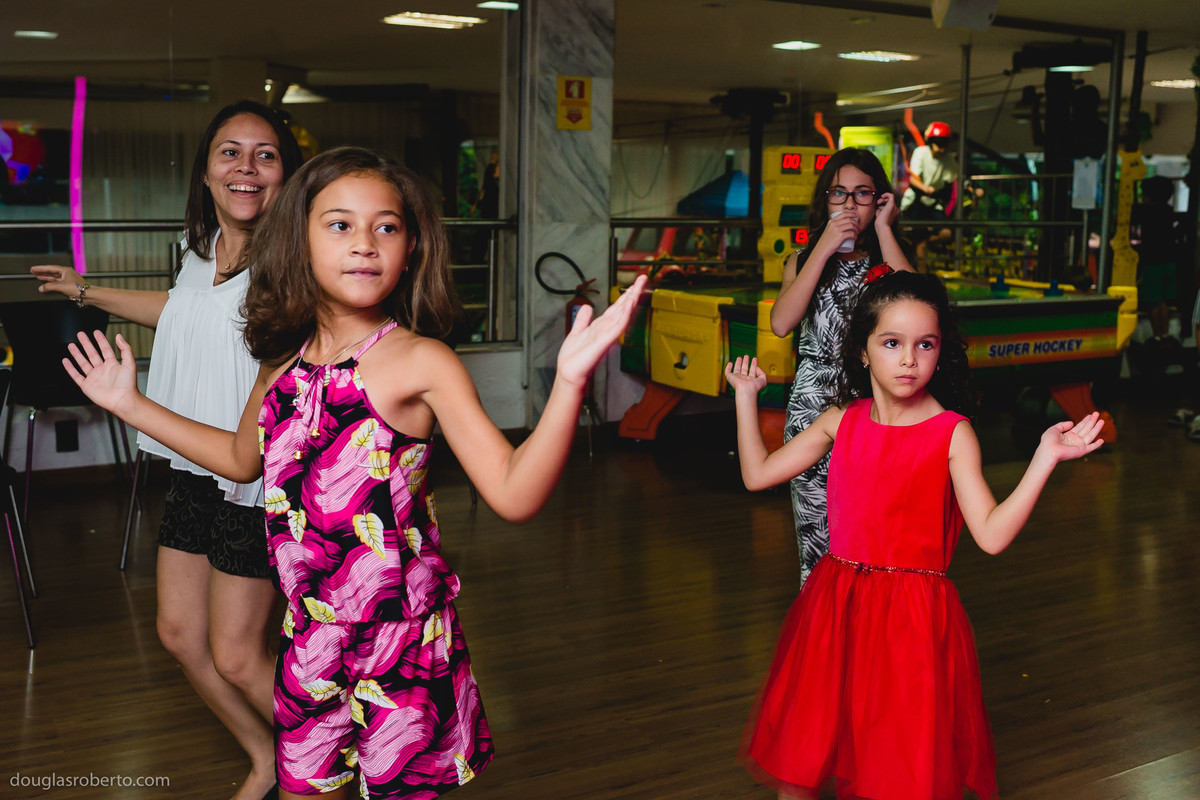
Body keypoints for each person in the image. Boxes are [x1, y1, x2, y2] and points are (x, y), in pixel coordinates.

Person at [61, 146, 648, 800]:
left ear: (411, 247)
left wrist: (568, 383)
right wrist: (131, 404)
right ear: (298, 240)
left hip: (402, 644)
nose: (365, 243)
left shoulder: (422, 362)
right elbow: (238, 459)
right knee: (305, 790)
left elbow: (514, 493)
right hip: (308, 634)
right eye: (340, 224)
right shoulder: (282, 357)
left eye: (386, 227)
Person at [726, 270, 1103, 799]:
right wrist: (746, 398)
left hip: (910, 621)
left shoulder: (952, 433)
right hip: (837, 608)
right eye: (891, 343)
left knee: (897, 767)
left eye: (925, 344)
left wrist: (1043, 458)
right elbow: (756, 474)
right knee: (804, 755)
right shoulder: (841, 420)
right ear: (862, 350)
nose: (909, 359)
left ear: (940, 350)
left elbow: (991, 536)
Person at [31, 100, 303, 800]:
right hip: (194, 467)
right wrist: (86, 291)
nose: (246, 166)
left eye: (265, 154)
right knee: (182, 636)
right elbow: (186, 311)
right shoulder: (202, 248)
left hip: (256, 479)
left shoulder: (293, 264)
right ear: (207, 172)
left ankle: (351, 765)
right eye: (230, 152)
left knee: (241, 657)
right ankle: (268, 759)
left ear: (286, 175)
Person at [768, 147, 913, 583]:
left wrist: (886, 231)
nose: (850, 204)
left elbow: (917, 305)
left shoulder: (887, 259)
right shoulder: (804, 259)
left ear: (879, 201)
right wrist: (823, 248)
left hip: (873, 415)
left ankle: (866, 639)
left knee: (870, 543)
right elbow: (781, 322)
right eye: (839, 193)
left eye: (862, 194)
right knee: (816, 546)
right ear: (825, 201)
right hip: (811, 415)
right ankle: (823, 643)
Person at [901, 121, 959, 270]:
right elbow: (913, 179)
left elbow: (955, 178)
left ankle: (922, 243)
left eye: (944, 144)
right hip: (916, 201)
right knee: (914, 240)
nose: (941, 149)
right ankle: (920, 274)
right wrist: (925, 188)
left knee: (945, 233)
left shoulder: (948, 159)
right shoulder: (921, 153)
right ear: (931, 142)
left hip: (933, 202)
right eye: (938, 144)